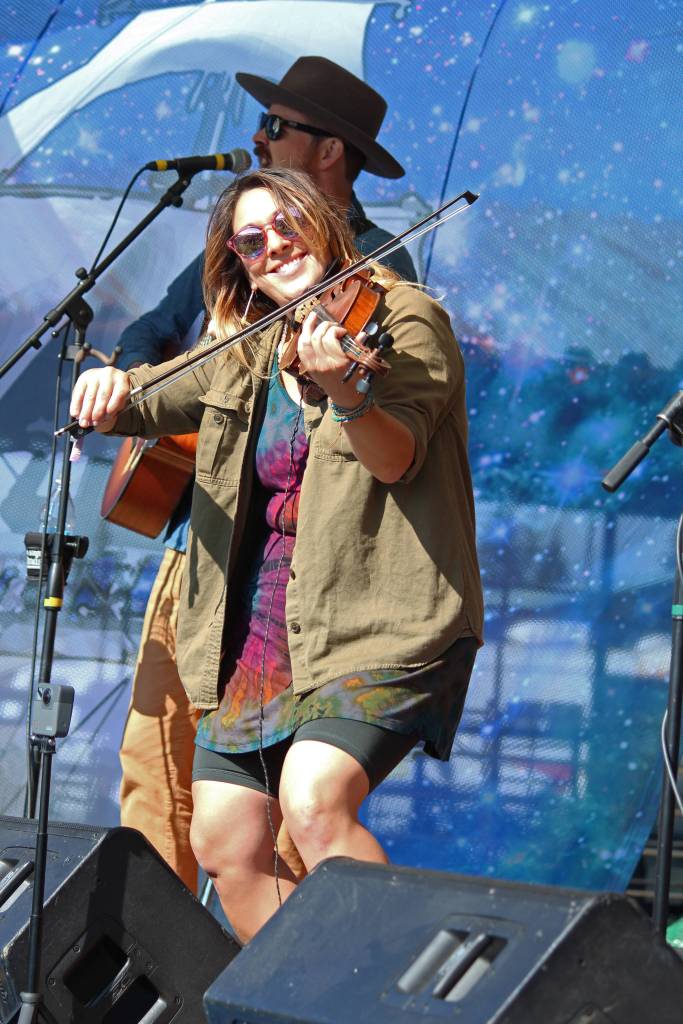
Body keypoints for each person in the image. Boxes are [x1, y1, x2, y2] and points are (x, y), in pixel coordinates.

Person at [71, 167, 483, 944]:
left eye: (287, 224)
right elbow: (150, 395)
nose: (274, 247)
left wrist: (348, 393)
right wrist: (109, 386)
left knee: (315, 801)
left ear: (324, 221)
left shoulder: (404, 319)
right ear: (237, 264)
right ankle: (305, 996)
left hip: (378, 615)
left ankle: (390, 998)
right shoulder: (253, 345)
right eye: (251, 242)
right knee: (224, 839)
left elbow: (394, 458)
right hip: (265, 625)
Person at [115, 56, 417, 893]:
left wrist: (333, 379)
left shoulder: (380, 271)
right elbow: (148, 335)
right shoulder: (240, 239)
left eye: (276, 127)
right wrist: (137, 383)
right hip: (200, 544)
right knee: (158, 779)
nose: (257, 139)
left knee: (287, 815)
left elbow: (382, 428)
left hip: (296, 574)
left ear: (330, 151)